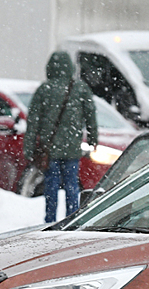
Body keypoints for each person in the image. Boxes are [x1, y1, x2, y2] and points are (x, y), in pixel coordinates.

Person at [24, 51, 98, 223]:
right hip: (72, 148)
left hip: (50, 149)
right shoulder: (80, 88)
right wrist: (93, 139)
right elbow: (91, 116)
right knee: (72, 185)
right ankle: (72, 219)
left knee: (51, 185)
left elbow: (33, 122)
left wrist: (29, 147)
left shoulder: (45, 89)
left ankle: (50, 220)